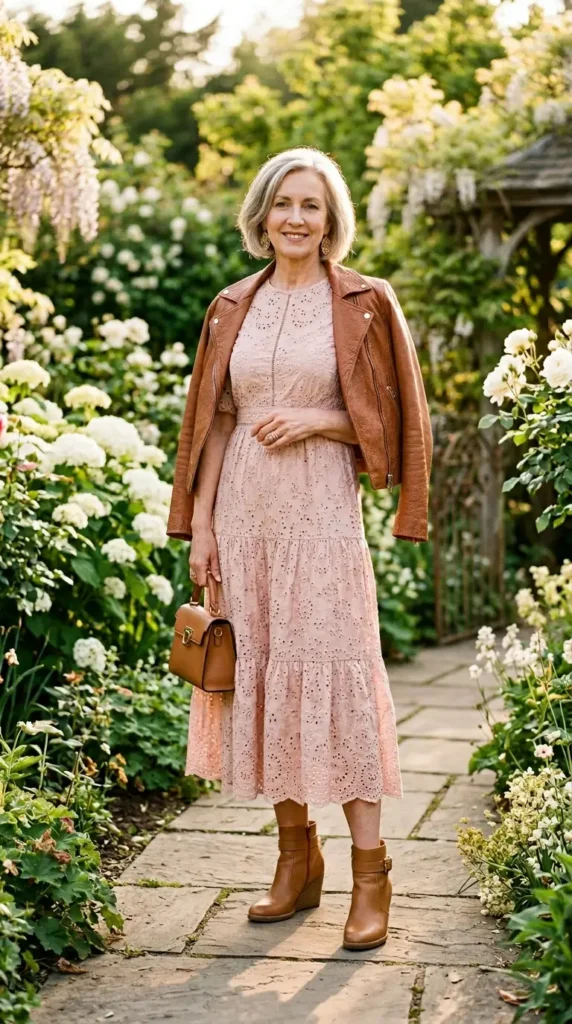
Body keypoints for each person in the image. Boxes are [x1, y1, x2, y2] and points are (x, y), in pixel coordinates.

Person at [167, 147, 432, 951]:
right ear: (261, 213)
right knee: (267, 670)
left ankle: (371, 872)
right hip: (244, 513)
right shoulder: (230, 304)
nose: (295, 217)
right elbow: (215, 421)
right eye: (283, 202)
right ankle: (295, 860)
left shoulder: (365, 302)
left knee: (334, 669)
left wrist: (320, 421)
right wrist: (202, 524)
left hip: (321, 512)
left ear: (331, 220)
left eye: (311, 205)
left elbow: (400, 421)